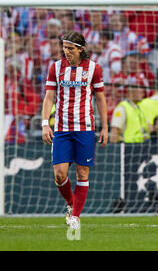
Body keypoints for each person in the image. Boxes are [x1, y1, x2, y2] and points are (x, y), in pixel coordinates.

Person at [41, 31, 108, 230]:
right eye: (64, 48)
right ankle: (71, 203)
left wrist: (105, 127)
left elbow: (101, 99)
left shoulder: (94, 68)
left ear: (81, 49)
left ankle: (76, 217)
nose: (66, 52)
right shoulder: (56, 67)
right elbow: (48, 97)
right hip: (61, 128)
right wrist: (45, 123)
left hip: (85, 128)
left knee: (82, 173)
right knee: (60, 175)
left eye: (70, 48)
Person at [110, 76, 149, 143]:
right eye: (141, 92)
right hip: (128, 146)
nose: (143, 93)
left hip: (141, 146)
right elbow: (115, 131)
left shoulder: (138, 108)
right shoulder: (122, 108)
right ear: (132, 92)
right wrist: (114, 148)